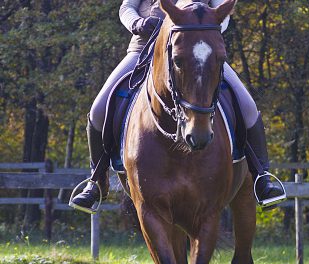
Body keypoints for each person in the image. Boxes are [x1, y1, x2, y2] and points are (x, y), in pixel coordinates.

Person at [70, 0, 286, 213]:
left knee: (247, 106)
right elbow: (126, 7)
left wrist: (205, 27)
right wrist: (137, 24)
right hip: (144, 49)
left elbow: (224, 14)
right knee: (99, 110)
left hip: (197, 50)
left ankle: (262, 176)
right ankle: (96, 181)